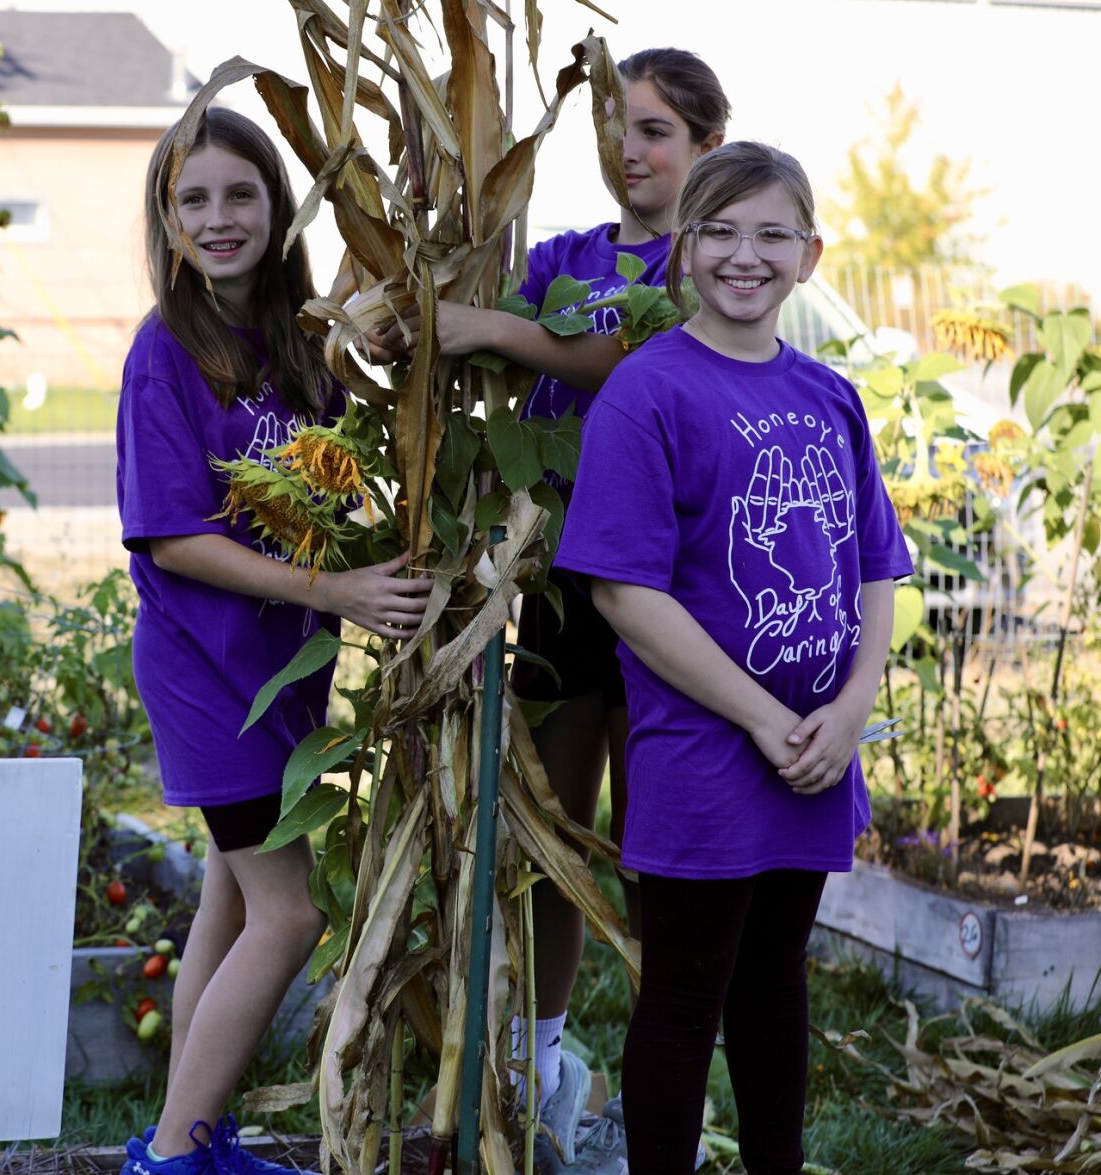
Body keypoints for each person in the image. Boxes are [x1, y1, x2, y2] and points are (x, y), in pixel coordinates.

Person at [368, 47, 731, 1168]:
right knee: (552, 827)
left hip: (671, 582)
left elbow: (631, 363)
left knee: (656, 841)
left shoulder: (709, 261)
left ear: (706, 148)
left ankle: (664, 1064)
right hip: (555, 576)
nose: (632, 146)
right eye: (619, 124)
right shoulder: (565, 257)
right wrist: (417, 325)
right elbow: (488, 350)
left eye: (658, 129)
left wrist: (492, 332)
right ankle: (538, 1058)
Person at [553, 141, 912, 1172]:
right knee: (681, 996)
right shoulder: (647, 392)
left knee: (773, 979)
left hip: (815, 749)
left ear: (809, 252)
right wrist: (761, 716)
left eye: (769, 234)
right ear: (683, 249)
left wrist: (847, 709)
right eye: (718, 232)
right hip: (705, 754)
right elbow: (622, 587)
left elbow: (875, 567)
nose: (743, 256)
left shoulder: (828, 395)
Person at [115, 107, 434, 1175]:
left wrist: (383, 341)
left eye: (238, 194)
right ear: (164, 219)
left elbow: (361, 441)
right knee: (288, 915)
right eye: (191, 199)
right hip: (209, 673)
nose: (217, 218)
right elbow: (171, 538)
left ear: (277, 205)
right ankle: (168, 1156)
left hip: (280, 673)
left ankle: (193, 1137)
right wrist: (333, 583)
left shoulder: (302, 340)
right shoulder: (165, 351)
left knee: (231, 891)